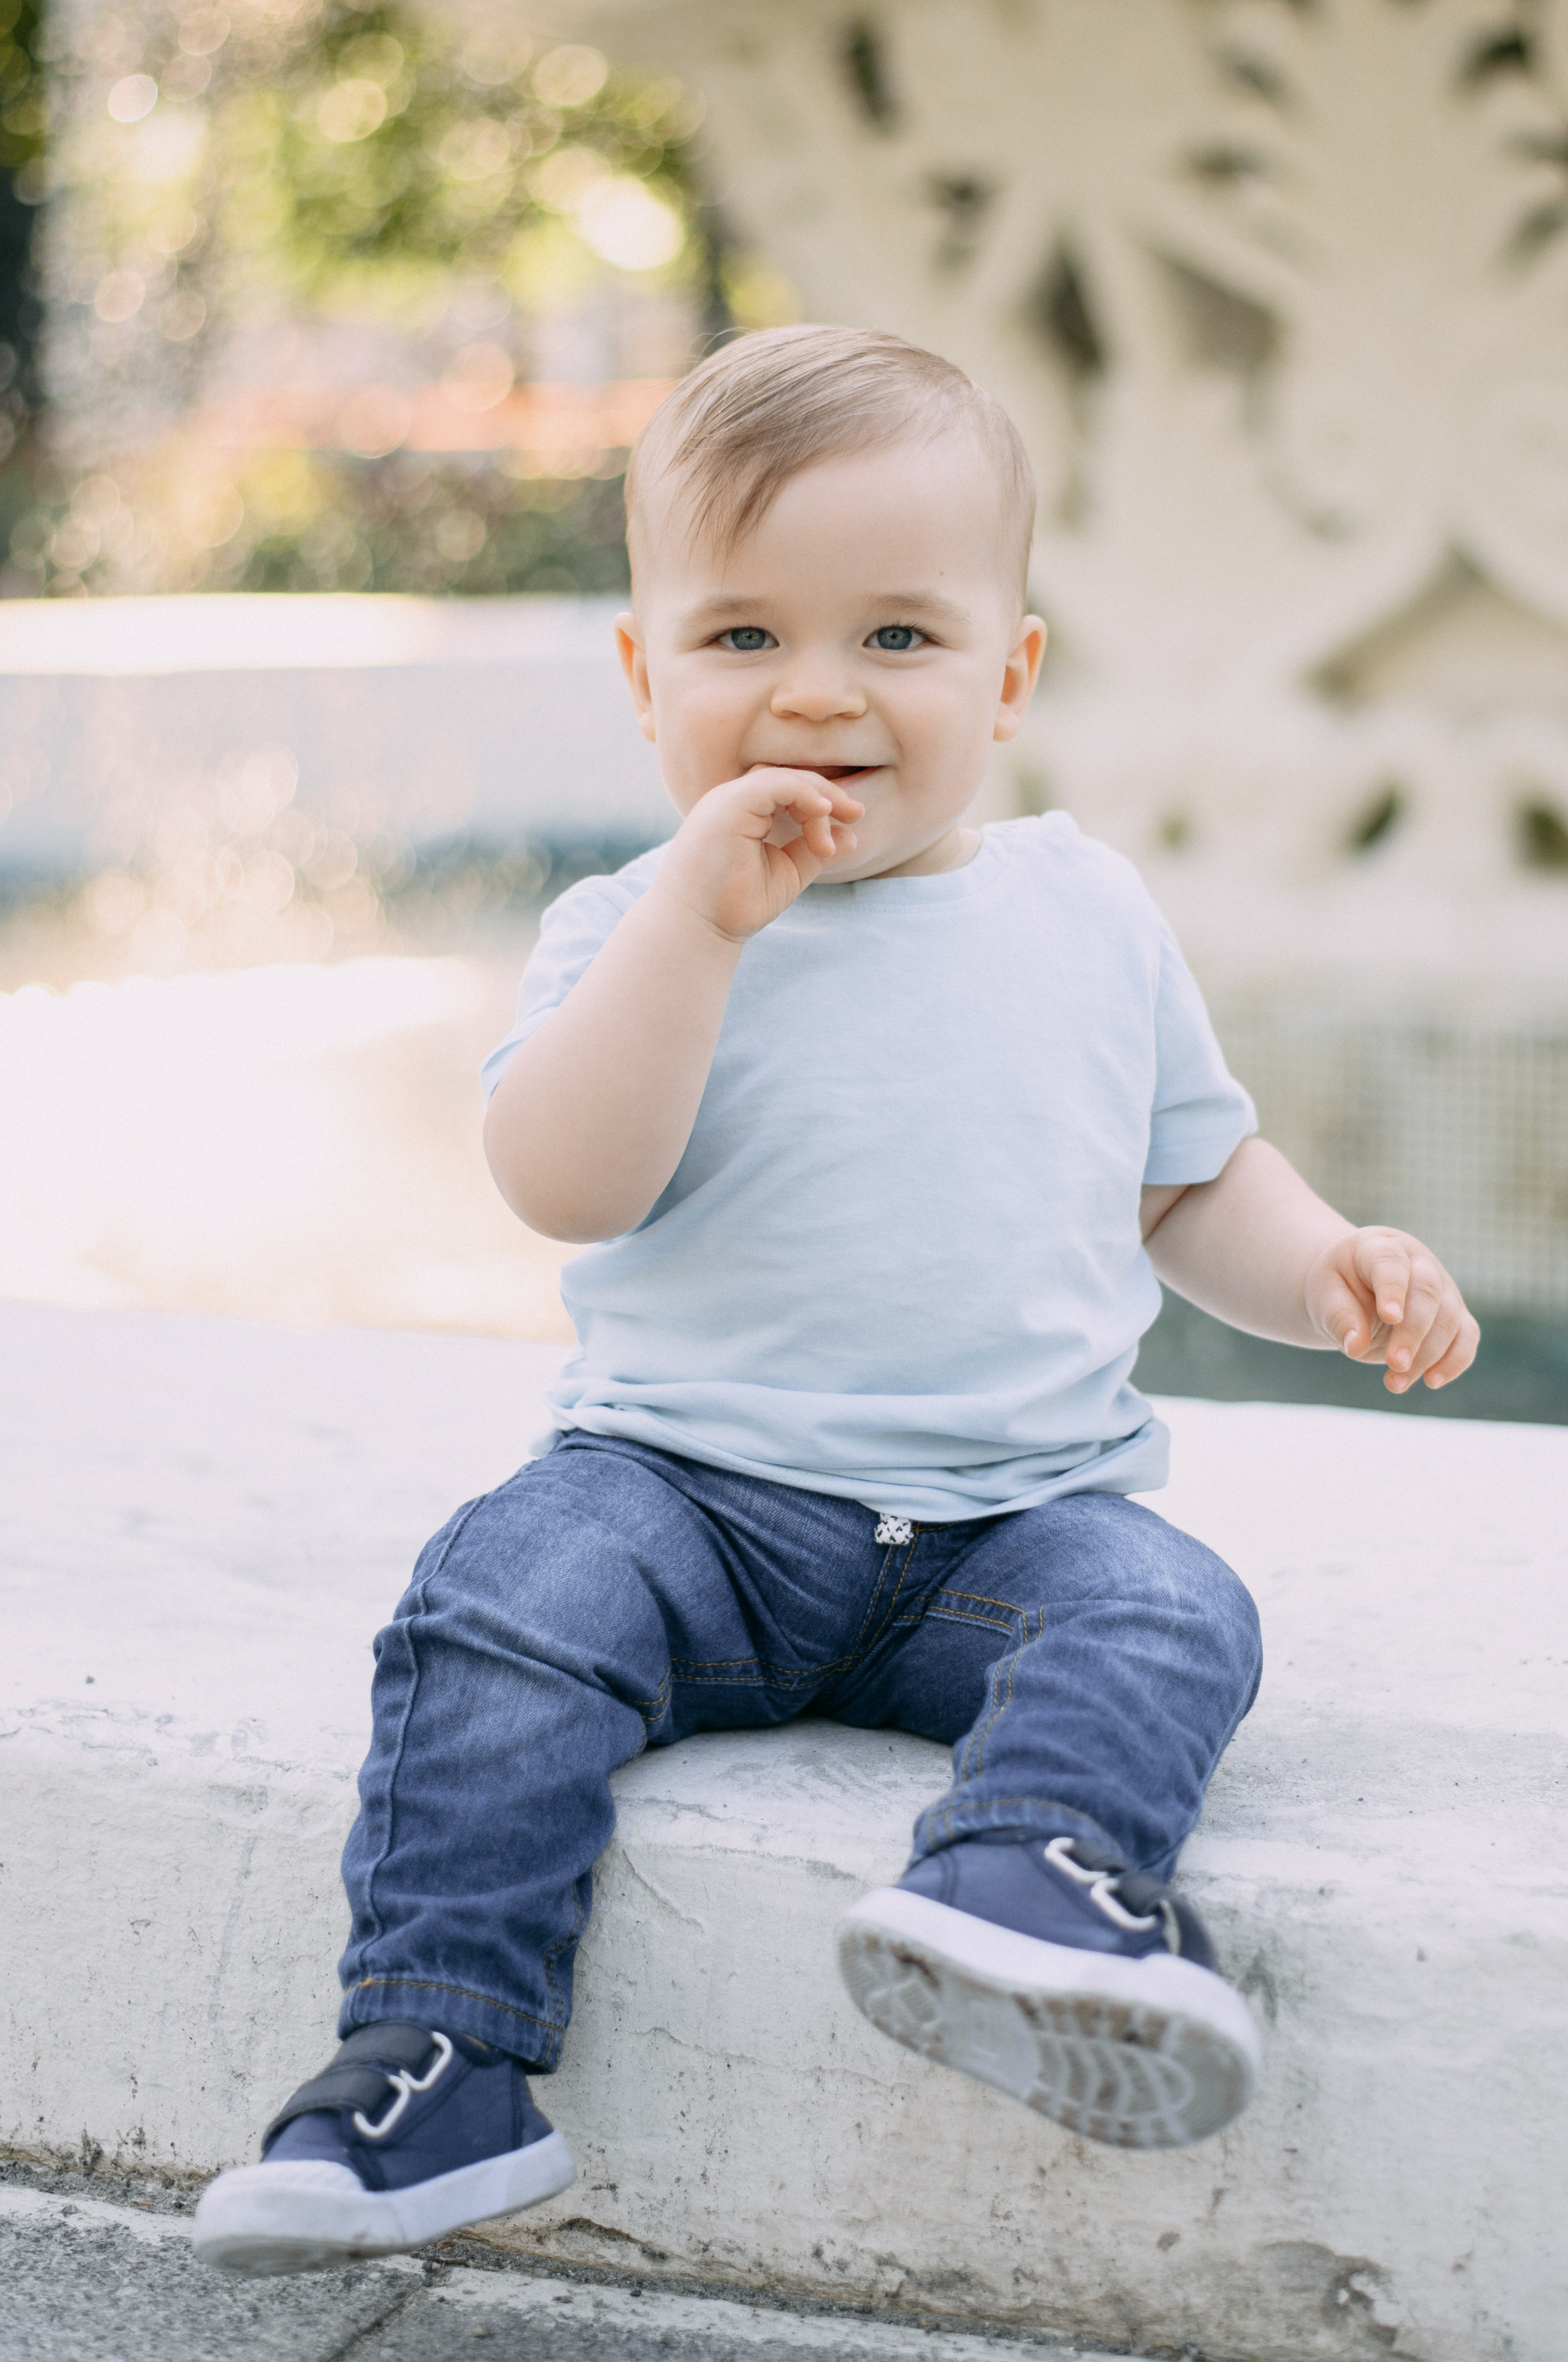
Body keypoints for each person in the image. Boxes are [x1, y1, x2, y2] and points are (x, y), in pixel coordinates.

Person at [193, 325, 1478, 2276]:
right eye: (740, 642)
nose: (816, 696)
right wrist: (694, 931)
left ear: (1009, 676)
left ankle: (1028, 1880)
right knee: (500, 1606)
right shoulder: (626, 926)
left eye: (896, 639)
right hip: (687, 1501)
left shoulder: (1087, 913)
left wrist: (1330, 1268)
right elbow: (563, 1183)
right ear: (643, 679)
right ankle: (439, 2053)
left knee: (1174, 1607)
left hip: (1002, 1522)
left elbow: (1191, 1178)